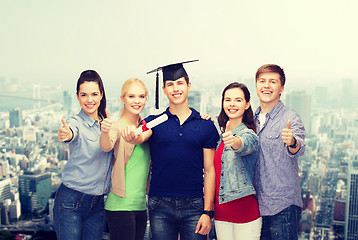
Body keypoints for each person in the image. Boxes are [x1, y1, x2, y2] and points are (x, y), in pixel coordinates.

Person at [121, 60, 220, 240]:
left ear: (189, 85)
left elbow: (210, 170)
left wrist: (208, 211)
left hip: (195, 205)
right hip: (160, 204)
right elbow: (141, 135)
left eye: (180, 83)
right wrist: (134, 137)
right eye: (170, 84)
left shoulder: (205, 125)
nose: (175, 89)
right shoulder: (154, 121)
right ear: (164, 89)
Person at [54, 70, 113, 240]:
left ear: (101, 95)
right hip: (70, 201)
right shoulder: (75, 122)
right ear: (78, 97)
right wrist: (67, 134)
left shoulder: (106, 124)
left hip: (97, 205)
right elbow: (72, 132)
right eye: (84, 95)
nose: (89, 100)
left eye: (94, 94)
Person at [253, 64, 306, 240]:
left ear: (281, 87)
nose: (266, 86)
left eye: (272, 81)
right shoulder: (250, 119)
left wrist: (292, 141)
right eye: (262, 81)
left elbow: (299, 147)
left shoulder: (289, 117)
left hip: (282, 207)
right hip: (254, 208)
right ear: (256, 85)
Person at [99, 78, 150, 240]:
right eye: (131, 96)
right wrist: (106, 131)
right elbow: (106, 146)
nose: (137, 101)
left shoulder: (146, 127)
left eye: (141, 97)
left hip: (141, 206)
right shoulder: (116, 126)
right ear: (122, 99)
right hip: (120, 206)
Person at [214, 82, 262, 240]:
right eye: (227, 100)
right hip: (221, 214)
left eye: (238, 100)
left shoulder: (249, 135)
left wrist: (233, 140)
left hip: (245, 214)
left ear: (247, 104)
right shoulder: (219, 137)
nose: (232, 104)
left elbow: (242, 144)